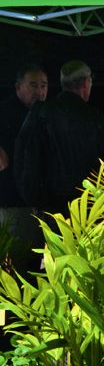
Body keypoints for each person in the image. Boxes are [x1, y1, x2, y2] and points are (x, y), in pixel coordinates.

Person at [14, 61, 104, 216]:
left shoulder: (40, 114)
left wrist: (36, 200)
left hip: (50, 209)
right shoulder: (98, 120)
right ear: (86, 82)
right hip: (90, 207)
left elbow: (24, 159)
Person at [0, 64, 48, 271]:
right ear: (18, 87)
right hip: (13, 201)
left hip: (38, 200)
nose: (40, 91)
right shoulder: (5, 112)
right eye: (34, 85)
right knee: (17, 264)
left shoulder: (45, 113)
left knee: (34, 264)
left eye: (44, 85)